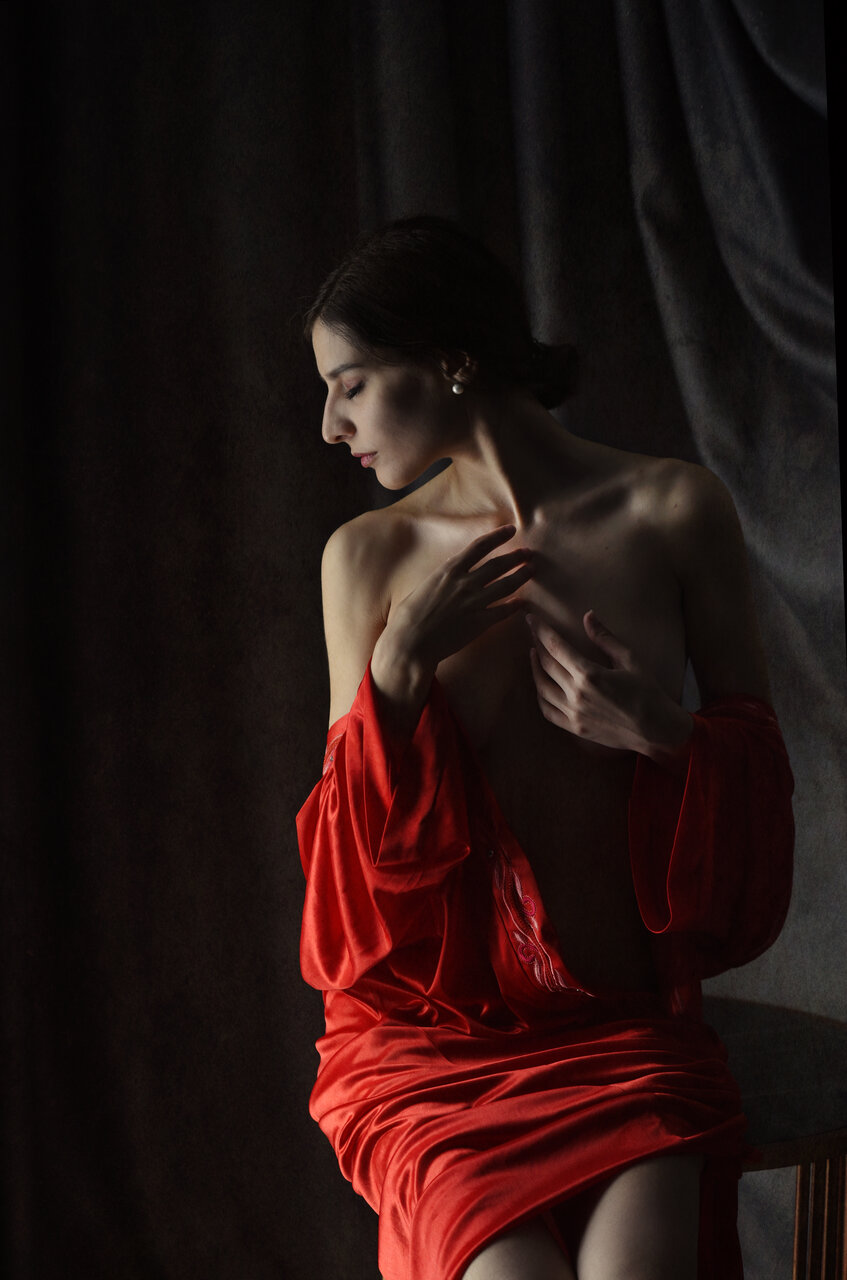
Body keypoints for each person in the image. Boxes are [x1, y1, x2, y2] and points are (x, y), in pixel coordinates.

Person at [296, 216, 794, 1280]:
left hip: (626, 1035)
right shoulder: (366, 558)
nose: (332, 427)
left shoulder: (671, 510)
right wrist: (398, 673)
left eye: (350, 385)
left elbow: (759, 779)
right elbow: (343, 895)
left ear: (451, 360)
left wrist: (666, 735)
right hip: (435, 1051)